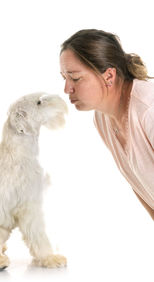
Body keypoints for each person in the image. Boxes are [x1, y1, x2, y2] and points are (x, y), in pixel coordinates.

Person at [59, 29, 154, 220]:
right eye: (64, 78)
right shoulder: (102, 118)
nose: (67, 88)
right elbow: (140, 185)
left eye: (75, 78)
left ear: (109, 76)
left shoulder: (148, 108)